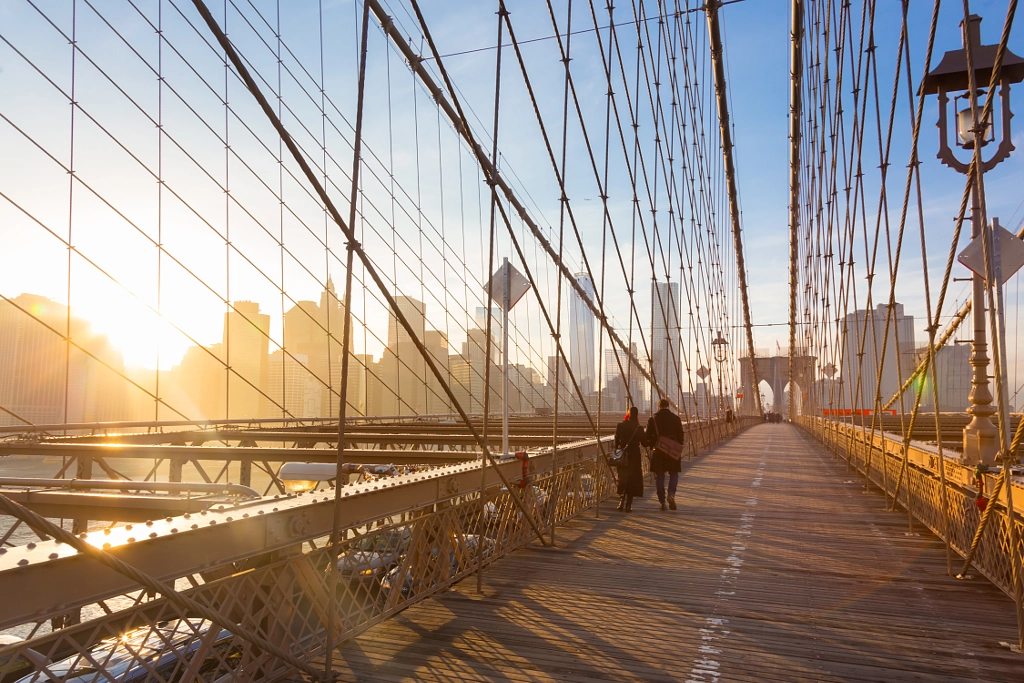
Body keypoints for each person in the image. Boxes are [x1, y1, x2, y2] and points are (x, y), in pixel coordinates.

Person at [644, 397, 685, 511]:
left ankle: (662, 502)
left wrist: (652, 443)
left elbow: (648, 437)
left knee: (660, 476)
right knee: (674, 474)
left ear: (658, 407)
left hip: (659, 452)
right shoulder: (676, 418)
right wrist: (675, 446)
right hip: (672, 451)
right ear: (668, 407)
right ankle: (671, 494)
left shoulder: (653, 419)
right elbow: (681, 437)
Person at [613, 407, 644, 512]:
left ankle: (621, 501)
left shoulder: (620, 426)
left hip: (623, 455)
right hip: (634, 456)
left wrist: (617, 450)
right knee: (632, 479)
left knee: (623, 478)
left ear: (628, 414)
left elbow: (616, 442)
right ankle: (628, 505)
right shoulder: (638, 428)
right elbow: (644, 442)